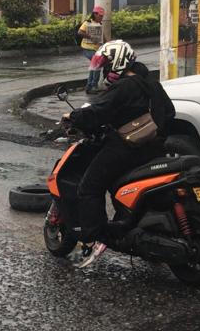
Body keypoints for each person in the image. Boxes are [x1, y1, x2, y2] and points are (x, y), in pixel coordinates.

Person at [62, 39, 175, 266]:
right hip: (156, 147)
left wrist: (72, 117)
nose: (104, 70)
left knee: (89, 186)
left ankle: (95, 237)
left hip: (128, 147)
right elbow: (169, 112)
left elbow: (98, 112)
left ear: (118, 62)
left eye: (106, 64)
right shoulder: (150, 83)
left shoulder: (123, 87)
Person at [74, 6, 105, 93]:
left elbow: (103, 36)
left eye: (102, 16)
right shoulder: (87, 23)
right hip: (87, 48)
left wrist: (109, 43)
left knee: (94, 66)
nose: (101, 17)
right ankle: (94, 85)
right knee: (98, 63)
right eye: (100, 15)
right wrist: (90, 37)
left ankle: (89, 87)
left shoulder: (99, 24)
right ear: (95, 14)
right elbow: (80, 32)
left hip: (96, 49)